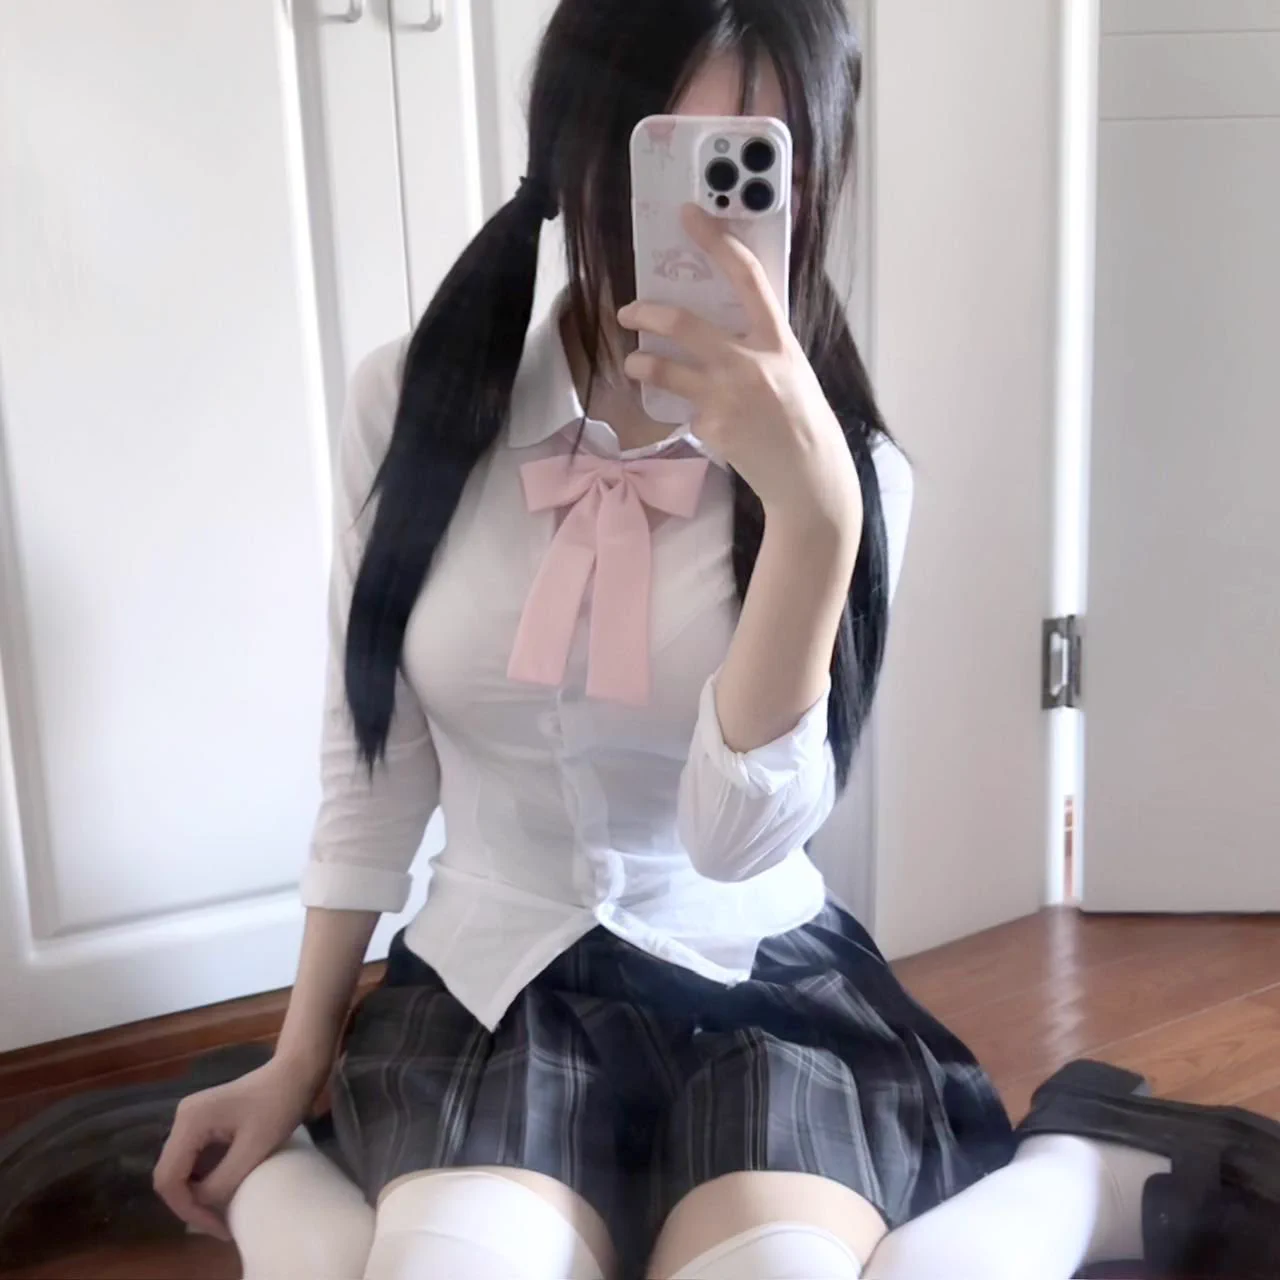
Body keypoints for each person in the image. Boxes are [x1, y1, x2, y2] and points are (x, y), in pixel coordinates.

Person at [153, 2, 1280, 1277]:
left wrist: (810, 516)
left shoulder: (848, 475)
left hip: (756, 981)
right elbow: (372, 768)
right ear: (571, 143)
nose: (695, 217)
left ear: (811, 178)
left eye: (744, 162)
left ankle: (1071, 1166)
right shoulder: (409, 404)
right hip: (488, 979)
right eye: (661, 152)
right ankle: (290, 1167)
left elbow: (735, 841)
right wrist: (295, 1054)